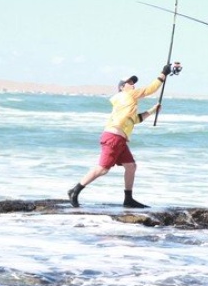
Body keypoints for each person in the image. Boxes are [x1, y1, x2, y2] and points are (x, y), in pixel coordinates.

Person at [67, 64, 171, 209]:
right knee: (103, 169)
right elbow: (149, 90)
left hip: (120, 140)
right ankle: (75, 191)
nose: (133, 85)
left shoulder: (127, 103)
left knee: (131, 166)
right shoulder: (127, 95)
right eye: (130, 82)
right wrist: (163, 74)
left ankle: (128, 199)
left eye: (134, 82)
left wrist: (153, 110)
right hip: (113, 137)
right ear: (122, 87)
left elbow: (136, 120)